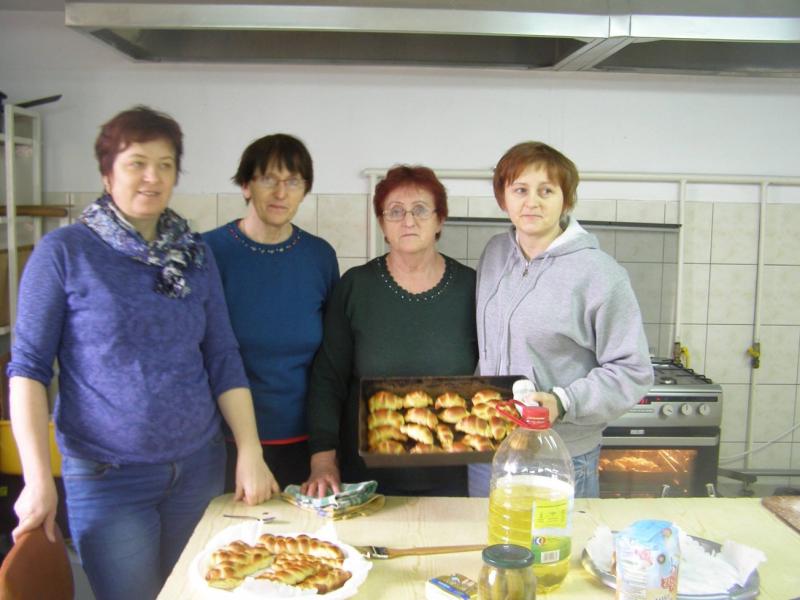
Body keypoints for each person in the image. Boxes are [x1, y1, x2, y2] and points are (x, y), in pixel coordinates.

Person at [7, 105, 278, 600]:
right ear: (107, 173)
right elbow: (27, 369)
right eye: (137, 163)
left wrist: (250, 450)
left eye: (165, 164)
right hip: (109, 479)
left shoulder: (194, 254)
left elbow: (222, 356)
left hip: (199, 469)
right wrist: (36, 478)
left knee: (198, 593)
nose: (152, 177)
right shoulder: (64, 253)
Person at [468, 141, 653, 499]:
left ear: (566, 201)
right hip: (488, 447)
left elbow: (633, 371)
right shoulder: (495, 253)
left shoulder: (600, 273)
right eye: (520, 190)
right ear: (503, 198)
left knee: (556, 538)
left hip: (558, 453)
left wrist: (563, 401)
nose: (532, 202)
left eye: (546, 191)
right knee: (489, 535)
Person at [301, 165, 477, 498]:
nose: (408, 221)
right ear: (382, 224)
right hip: (365, 480)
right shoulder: (356, 286)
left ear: (440, 220)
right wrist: (323, 460)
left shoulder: (472, 288)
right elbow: (328, 379)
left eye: (420, 210)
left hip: (453, 477)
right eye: (395, 211)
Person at [204, 133, 339, 490]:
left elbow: (331, 360)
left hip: (304, 445)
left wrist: (324, 451)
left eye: (293, 182)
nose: (281, 193)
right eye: (268, 179)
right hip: (222, 444)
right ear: (246, 185)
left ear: (304, 190)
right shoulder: (208, 252)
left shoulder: (319, 257)